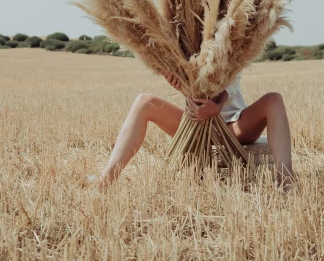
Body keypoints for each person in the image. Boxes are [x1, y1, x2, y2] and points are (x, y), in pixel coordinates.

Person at [94, 71, 293, 190]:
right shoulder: (182, 36)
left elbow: (234, 74)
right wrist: (181, 86)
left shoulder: (228, 33)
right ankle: (105, 180)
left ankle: (286, 181)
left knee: (273, 99)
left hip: (234, 125)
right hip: (195, 123)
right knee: (144, 102)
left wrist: (219, 103)